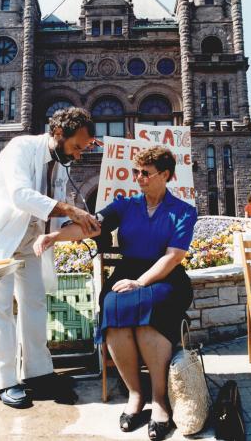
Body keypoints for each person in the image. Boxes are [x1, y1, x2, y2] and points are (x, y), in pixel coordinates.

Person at [34, 146, 197, 441]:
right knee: (113, 307)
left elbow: (173, 256)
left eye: (145, 173)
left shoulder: (183, 211)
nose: (138, 178)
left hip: (166, 277)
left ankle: (160, 400)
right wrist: (52, 236)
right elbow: (89, 227)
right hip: (127, 272)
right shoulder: (126, 205)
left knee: (151, 311)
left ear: (165, 175)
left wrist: (141, 282)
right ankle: (135, 396)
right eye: (135, 172)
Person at [0, 107, 100, 408]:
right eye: (76, 147)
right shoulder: (21, 148)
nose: (78, 155)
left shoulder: (61, 163)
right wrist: (69, 210)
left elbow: (56, 206)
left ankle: (38, 373)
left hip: (30, 241)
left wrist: (76, 226)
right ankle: (5, 381)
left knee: (35, 302)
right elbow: (20, 195)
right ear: (57, 133)